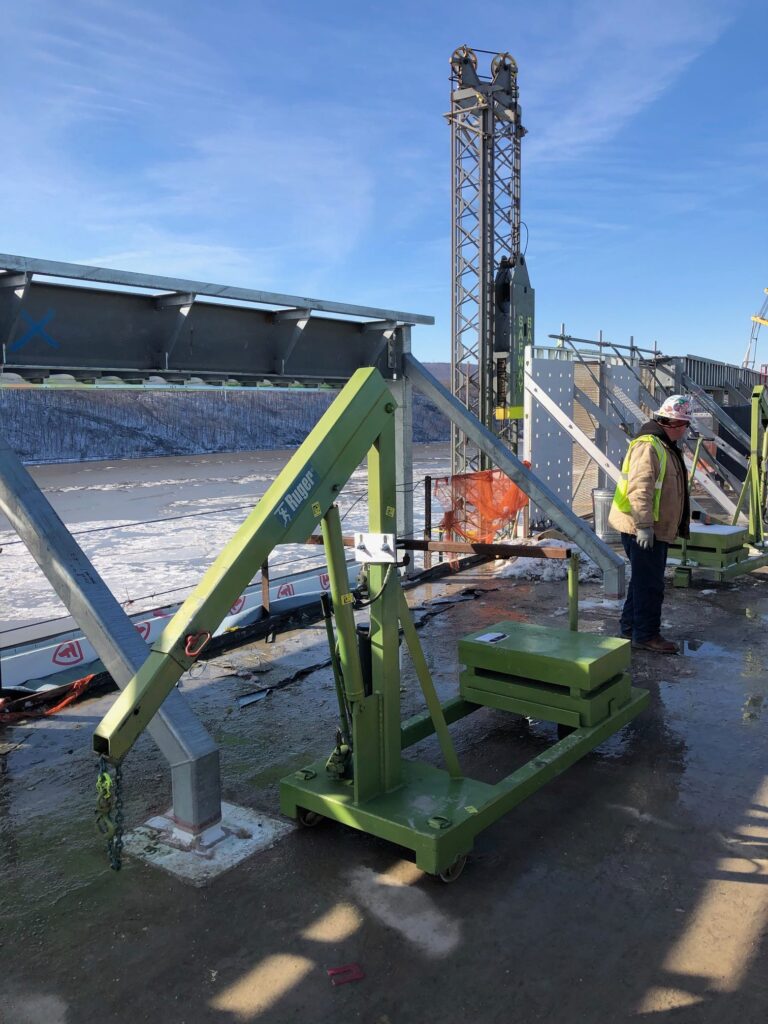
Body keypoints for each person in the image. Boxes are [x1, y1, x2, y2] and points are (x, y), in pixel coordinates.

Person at [608, 394, 692, 653]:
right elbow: (640, 489)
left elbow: (668, 490)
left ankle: (631, 629)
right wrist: (644, 526)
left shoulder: (663, 445)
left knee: (642, 582)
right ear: (674, 424)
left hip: (651, 528)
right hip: (643, 529)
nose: (686, 431)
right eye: (685, 425)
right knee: (650, 585)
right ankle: (646, 635)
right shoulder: (649, 446)